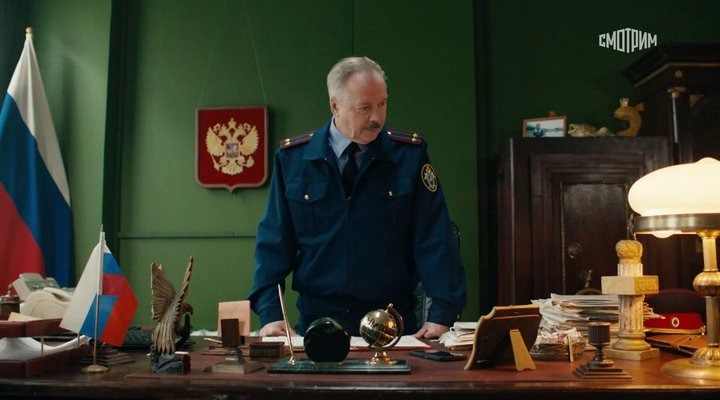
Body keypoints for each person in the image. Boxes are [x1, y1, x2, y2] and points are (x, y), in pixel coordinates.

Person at [248, 56, 466, 339]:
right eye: (365, 108)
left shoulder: (409, 156)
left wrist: (443, 314)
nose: (377, 117)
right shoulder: (293, 160)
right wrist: (271, 313)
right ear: (335, 106)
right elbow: (274, 243)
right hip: (319, 322)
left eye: (382, 104)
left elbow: (434, 237)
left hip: (393, 322)